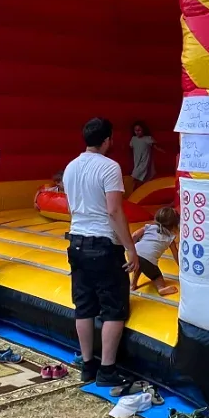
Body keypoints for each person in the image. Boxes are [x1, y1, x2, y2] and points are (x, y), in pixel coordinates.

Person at [63, 117, 139, 387]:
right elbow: (114, 210)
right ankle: (107, 369)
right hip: (103, 244)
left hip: (77, 242)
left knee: (83, 307)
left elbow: (72, 207)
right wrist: (130, 248)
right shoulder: (110, 168)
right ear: (108, 140)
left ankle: (88, 365)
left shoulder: (70, 167)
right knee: (113, 308)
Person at [129, 206, 180, 296]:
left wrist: (131, 248)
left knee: (140, 265)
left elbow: (134, 235)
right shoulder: (170, 237)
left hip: (135, 253)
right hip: (148, 260)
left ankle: (133, 284)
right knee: (157, 276)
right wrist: (180, 266)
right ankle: (161, 288)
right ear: (174, 225)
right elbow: (175, 254)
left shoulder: (149, 227)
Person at [127, 121, 161, 194]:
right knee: (140, 179)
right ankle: (137, 194)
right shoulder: (133, 139)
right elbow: (131, 147)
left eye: (139, 130)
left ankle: (134, 194)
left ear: (143, 130)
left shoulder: (148, 138)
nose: (137, 132)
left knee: (135, 177)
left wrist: (163, 151)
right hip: (137, 162)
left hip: (144, 162)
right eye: (135, 130)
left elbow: (155, 146)